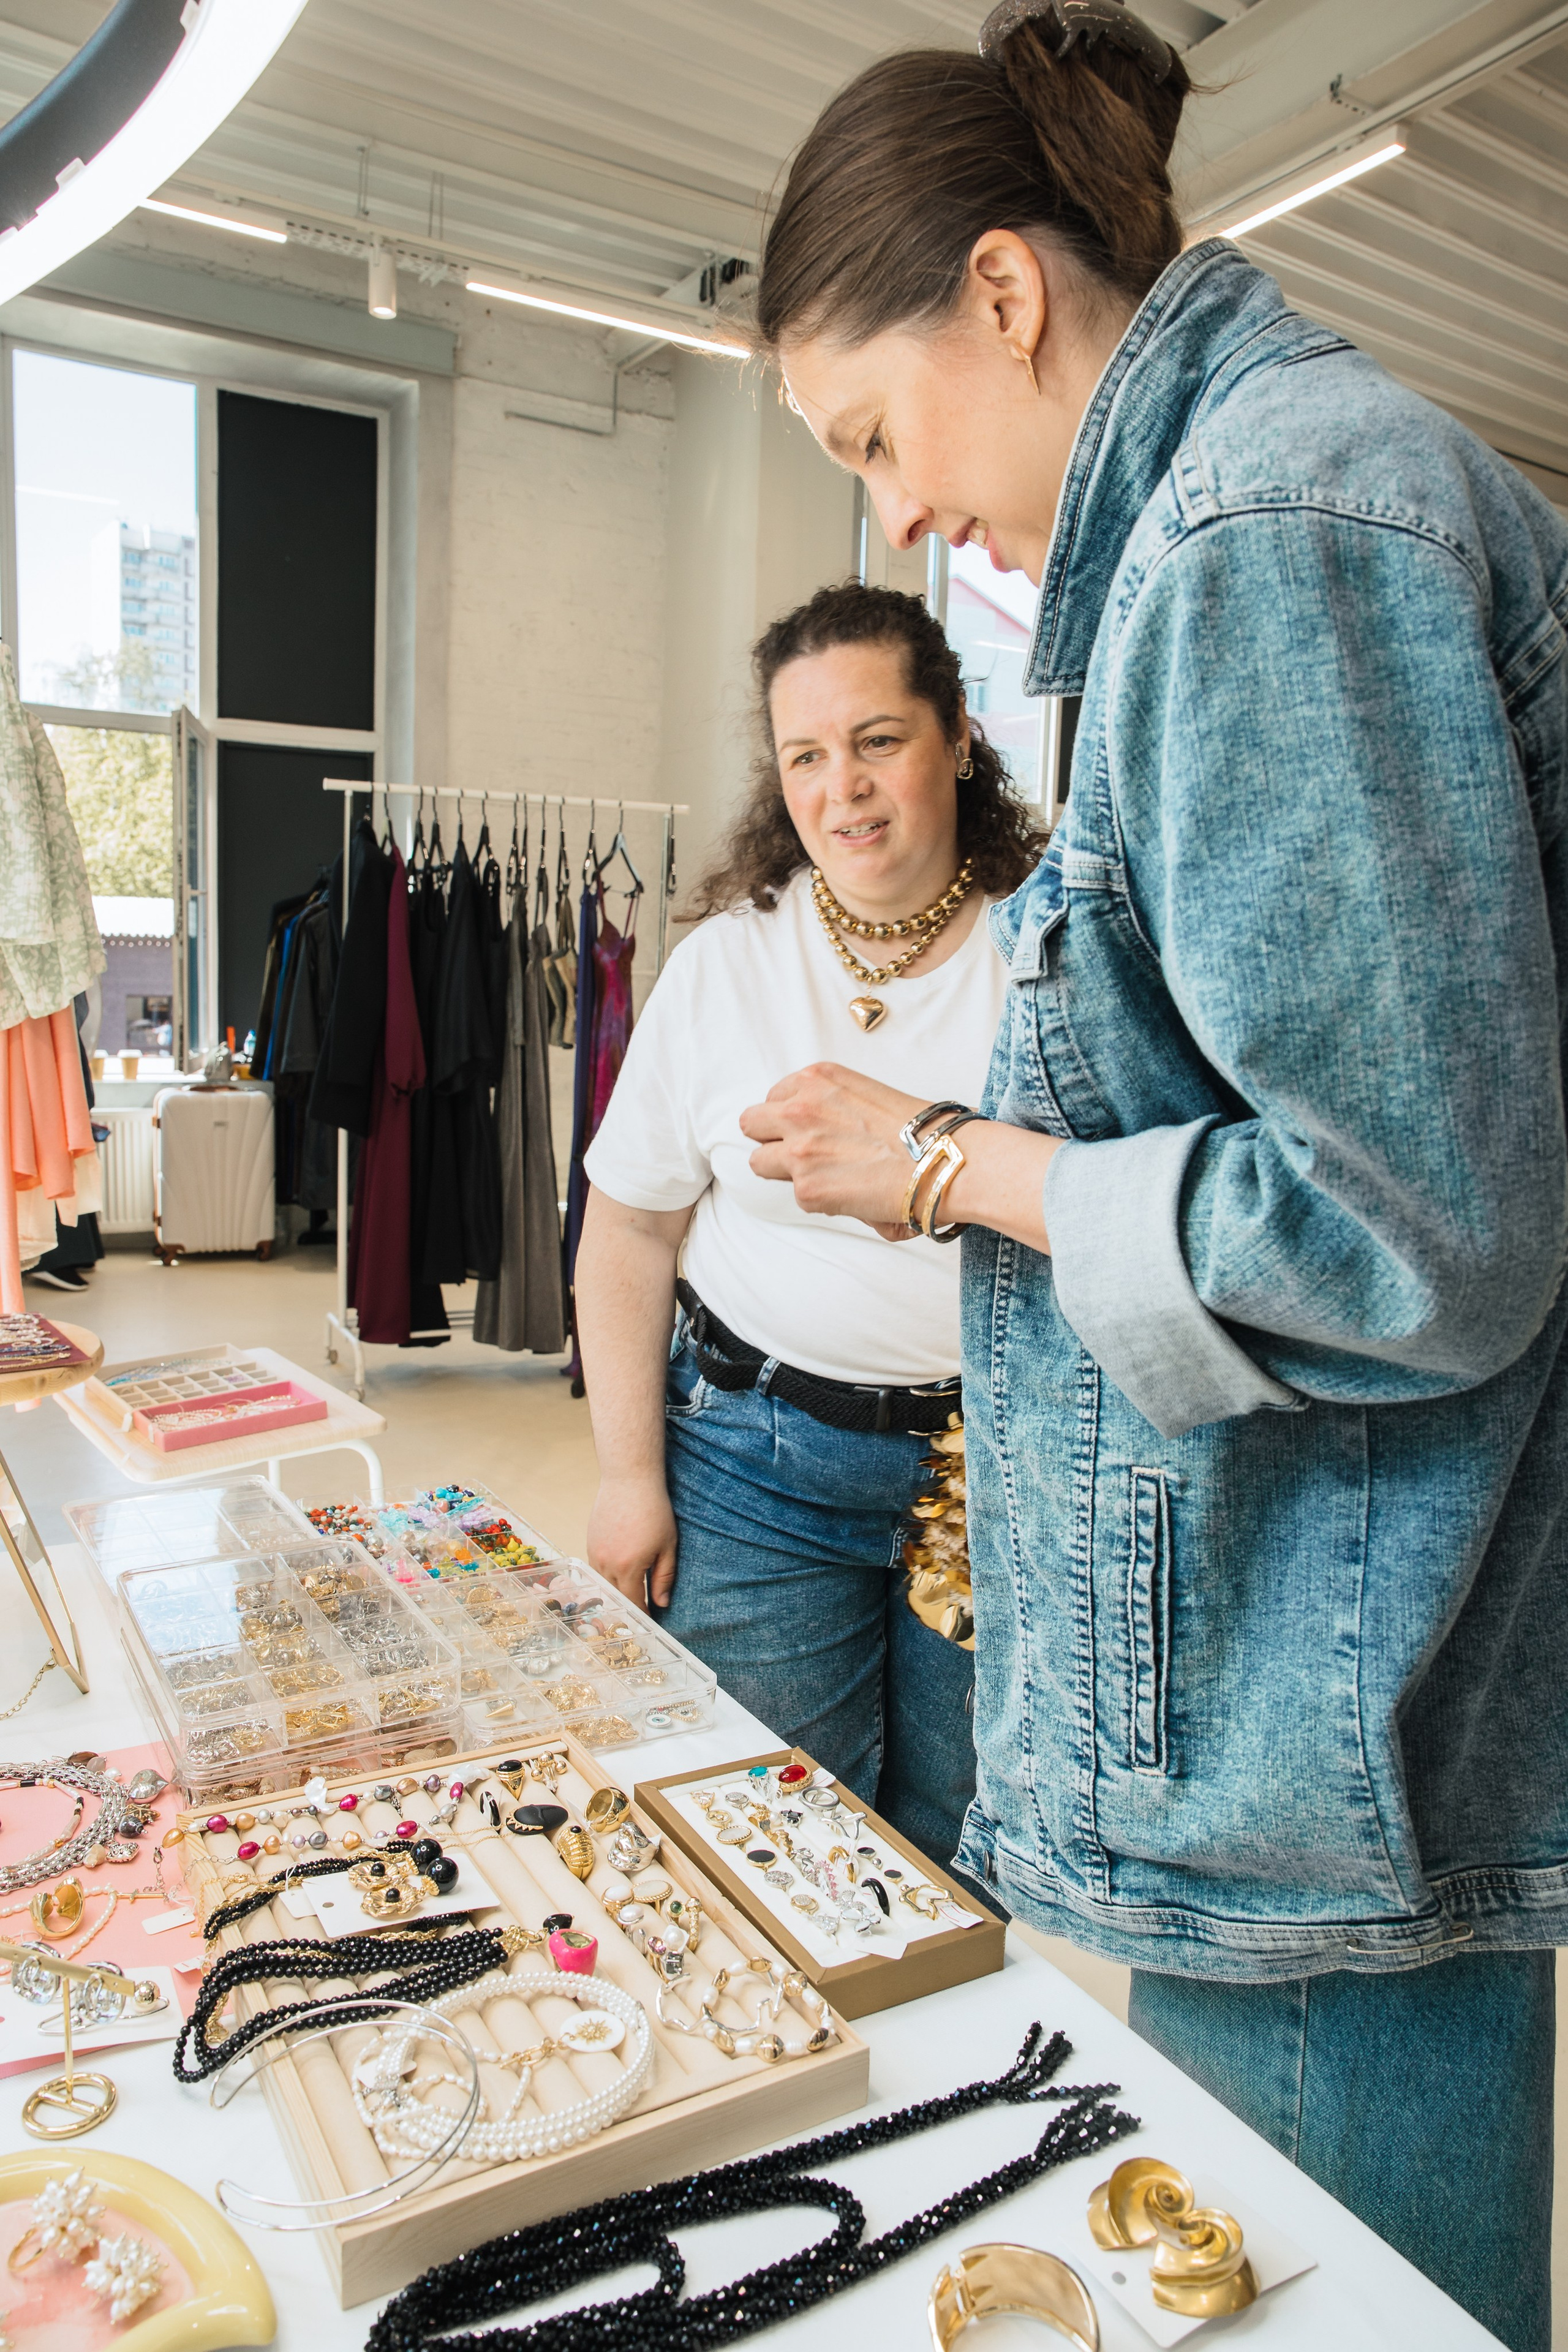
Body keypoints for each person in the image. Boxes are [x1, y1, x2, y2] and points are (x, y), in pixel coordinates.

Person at [734, 9, 1568, 2350]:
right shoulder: (1261, 513)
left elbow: (1405, 1227)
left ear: (1005, 296)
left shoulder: (1263, 533)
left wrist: (955, 1168)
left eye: (875, 433)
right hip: (1335, 1694)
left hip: (1318, 1723)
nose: (894, 506)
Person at [575, 582, 1042, 1869]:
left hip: (989, 1477)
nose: (844, 789)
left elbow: (1113, 1215)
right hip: (752, 1465)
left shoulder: (1048, 958)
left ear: (957, 735)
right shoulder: (728, 963)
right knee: (777, 1852)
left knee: (955, 1857)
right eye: (805, 756)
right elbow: (625, 1232)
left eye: (879, 739)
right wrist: (627, 1478)